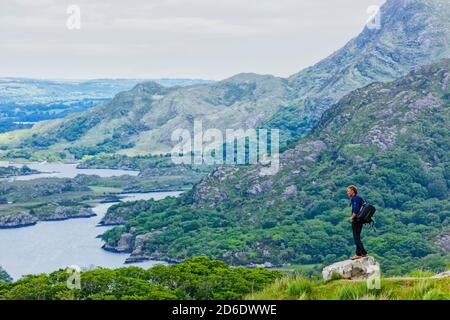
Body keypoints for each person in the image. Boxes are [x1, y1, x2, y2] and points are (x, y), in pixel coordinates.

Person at [347, 185, 368, 260]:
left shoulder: (355, 199)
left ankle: (358, 254)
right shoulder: (359, 198)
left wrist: (352, 218)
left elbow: (355, 209)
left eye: (348, 191)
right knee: (357, 237)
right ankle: (364, 253)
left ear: (352, 191)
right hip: (361, 220)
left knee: (356, 237)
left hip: (357, 220)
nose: (347, 193)